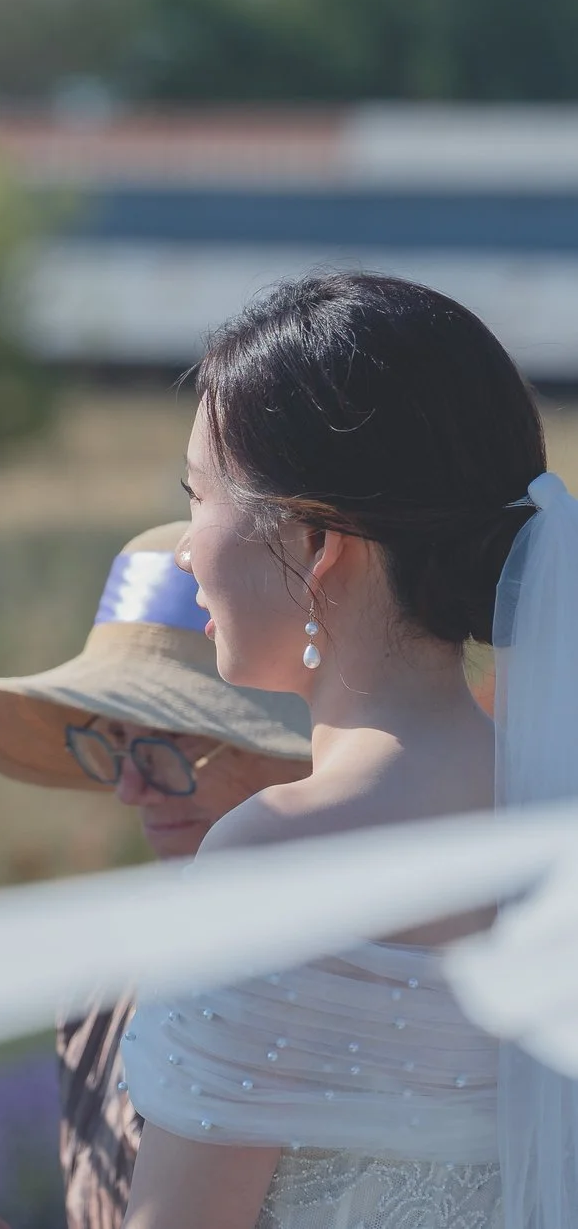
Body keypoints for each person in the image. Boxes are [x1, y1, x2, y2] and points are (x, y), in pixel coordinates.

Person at [116, 273, 570, 1229]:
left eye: (198, 496)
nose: (187, 549)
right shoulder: (553, 822)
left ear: (317, 539)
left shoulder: (278, 855)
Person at [0, 520, 313, 1229]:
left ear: (304, 740)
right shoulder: (103, 984)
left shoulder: (368, 974)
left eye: (171, 745)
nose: (131, 789)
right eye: (116, 743)